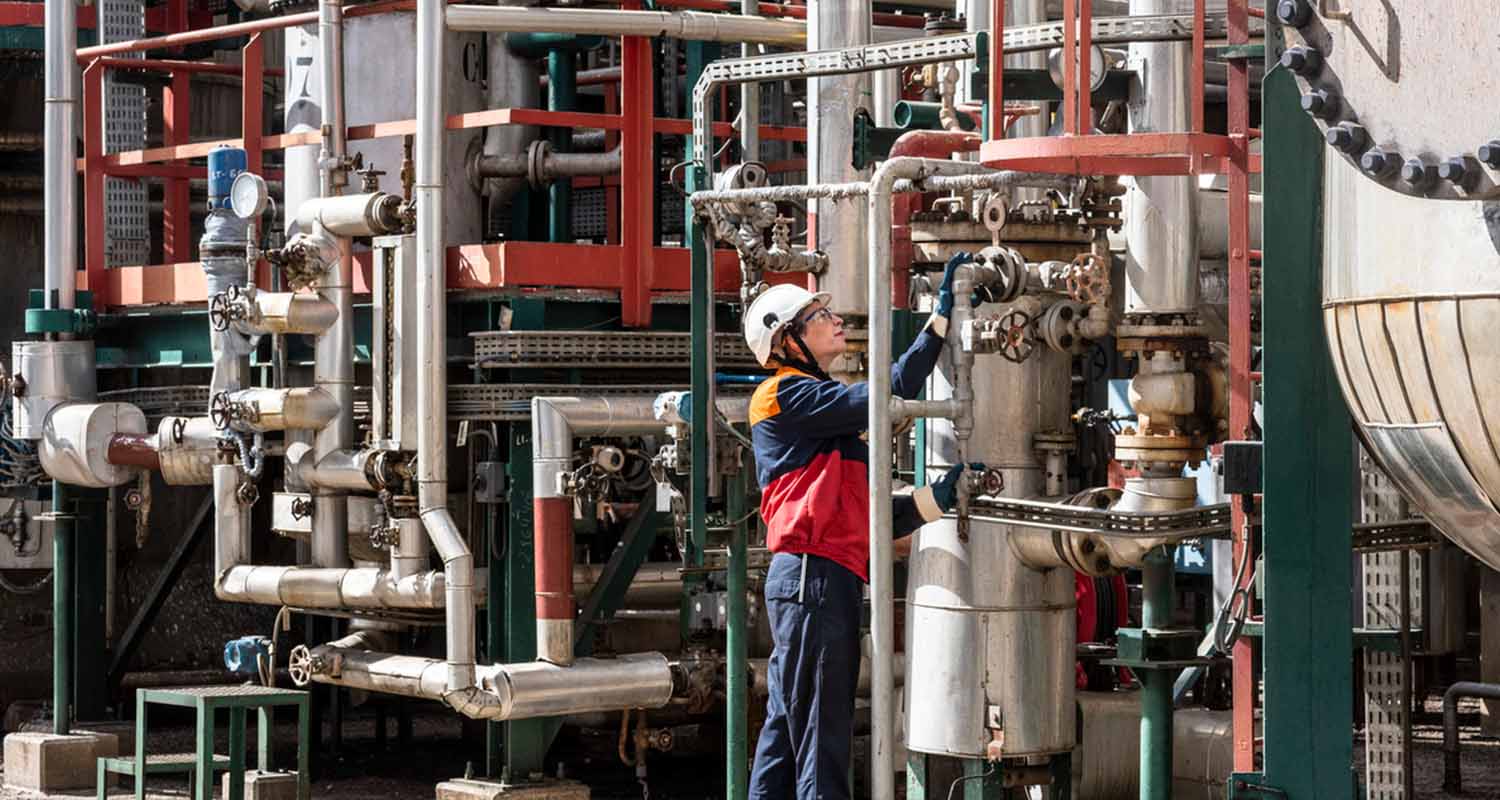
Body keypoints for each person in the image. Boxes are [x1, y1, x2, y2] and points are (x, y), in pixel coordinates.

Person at [744, 253, 984, 800]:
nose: (836, 321)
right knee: (821, 736)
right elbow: (889, 390)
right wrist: (939, 321)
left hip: (816, 581)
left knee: (787, 733)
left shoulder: (827, 426)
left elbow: (872, 514)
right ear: (787, 342)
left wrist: (941, 496)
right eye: (818, 317)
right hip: (814, 581)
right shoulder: (784, 394)